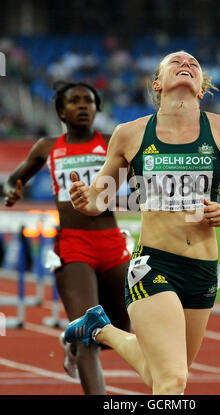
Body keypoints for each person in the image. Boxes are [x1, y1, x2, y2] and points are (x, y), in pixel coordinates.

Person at [64, 51, 220, 395]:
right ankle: (100, 327)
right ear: (158, 83)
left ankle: (99, 327)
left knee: (161, 373)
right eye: (176, 62)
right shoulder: (129, 134)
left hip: (203, 270)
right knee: (173, 382)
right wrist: (86, 200)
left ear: (201, 87)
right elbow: (99, 197)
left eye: (194, 64)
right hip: (153, 266)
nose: (186, 64)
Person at [3, 81, 131, 395]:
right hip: (73, 245)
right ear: (62, 111)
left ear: (98, 108)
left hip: (112, 240)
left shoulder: (112, 142)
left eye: (89, 101)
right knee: (88, 331)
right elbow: (12, 179)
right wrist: (13, 189)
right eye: (74, 101)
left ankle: (73, 348)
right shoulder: (48, 147)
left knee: (122, 330)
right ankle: (81, 347)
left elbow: (141, 172)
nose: (83, 106)